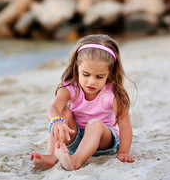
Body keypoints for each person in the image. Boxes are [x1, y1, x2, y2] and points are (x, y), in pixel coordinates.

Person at [30, 34, 135, 171]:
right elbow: (53, 108)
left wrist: (123, 152)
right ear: (76, 68)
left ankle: (76, 161)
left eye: (99, 76)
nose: (91, 81)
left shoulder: (112, 93)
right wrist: (57, 120)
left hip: (104, 142)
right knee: (62, 112)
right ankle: (52, 156)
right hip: (76, 138)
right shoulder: (69, 88)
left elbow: (124, 124)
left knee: (94, 124)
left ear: (110, 73)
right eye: (86, 74)